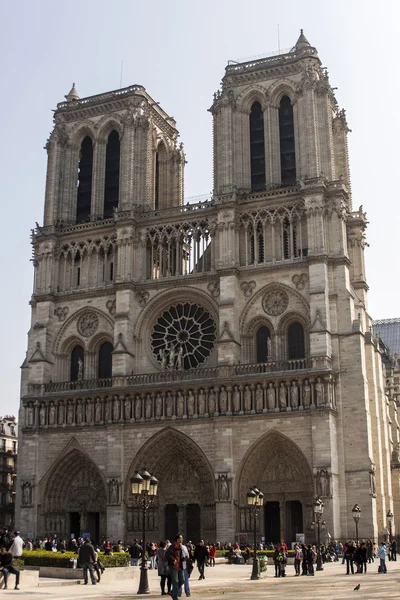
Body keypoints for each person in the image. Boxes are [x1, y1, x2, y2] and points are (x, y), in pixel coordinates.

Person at [165, 534, 185, 600]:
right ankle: (175, 597)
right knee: (175, 581)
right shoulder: (173, 546)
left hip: (180, 565)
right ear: (177, 539)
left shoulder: (181, 546)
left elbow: (181, 555)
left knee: (182, 580)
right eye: (181, 538)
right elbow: (167, 554)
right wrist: (173, 559)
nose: (182, 539)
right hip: (174, 566)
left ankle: (173, 591)